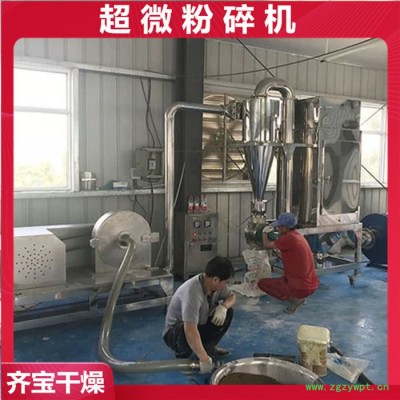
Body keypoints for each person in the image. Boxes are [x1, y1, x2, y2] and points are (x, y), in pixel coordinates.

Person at [163, 256, 236, 374]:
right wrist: (205, 360)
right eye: (225, 282)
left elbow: (232, 296)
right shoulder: (192, 293)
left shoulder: (215, 284)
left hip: (198, 323)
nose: (226, 285)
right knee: (186, 330)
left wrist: (224, 307)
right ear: (215, 280)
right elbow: (190, 330)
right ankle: (183, 358)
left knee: (228, 312)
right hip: (175, 334)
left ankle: (207, 348)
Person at [257, 212, 319, 314]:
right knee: (283, 280)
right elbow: (288, 257)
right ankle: (298, 296)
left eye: (279, 227)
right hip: (311, 284)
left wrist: (264, 233)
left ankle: (295, 299)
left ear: (285, 228)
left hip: (300, 287)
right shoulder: (298, 236)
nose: (277, 229)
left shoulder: (288, 238)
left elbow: (267, 245)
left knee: (262, 283)